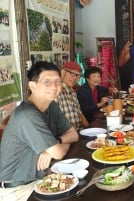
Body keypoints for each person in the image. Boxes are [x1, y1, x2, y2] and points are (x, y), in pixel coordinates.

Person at [0, 61, 79, 201]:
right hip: (17, 190)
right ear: (33, 86)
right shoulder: (26, 114)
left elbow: (73, 135)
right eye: (47, 82)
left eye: (57, 82)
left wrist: (56, 143)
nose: (54, 87)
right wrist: (53, 149)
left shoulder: (51, 106)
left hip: (41, 178)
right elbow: (58, 153)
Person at [55, 61, 89, 131]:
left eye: (78, 76)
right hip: (66, 135)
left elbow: (79, 113)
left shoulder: (73, 92)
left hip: (79, 131)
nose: (75, 78)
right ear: (63, 73)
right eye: (73, 74)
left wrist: (90, 128)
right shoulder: (55, 92)